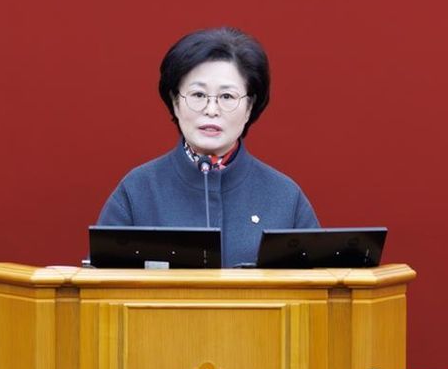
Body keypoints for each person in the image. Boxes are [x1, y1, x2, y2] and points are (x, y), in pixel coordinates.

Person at [97, 27, 319, 267]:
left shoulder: (285, 197)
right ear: (175, 102)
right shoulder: (137, 190)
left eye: (227, 97)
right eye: (198, 95)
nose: (211, 110)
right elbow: (101, 283)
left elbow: (317, 284)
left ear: (249, 107)